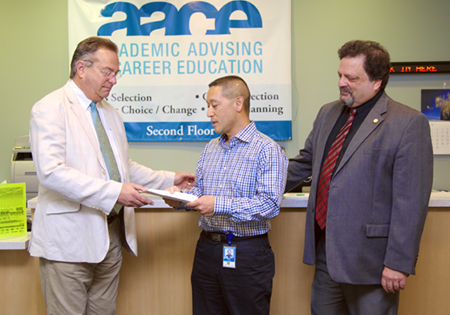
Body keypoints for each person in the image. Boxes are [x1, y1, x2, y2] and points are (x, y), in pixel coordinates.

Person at [28, 36, 194, 315]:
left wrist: (168, 179)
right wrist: (114, 192)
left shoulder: (110, 113)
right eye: (107, 72)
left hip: (111, 237)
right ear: (81, 69)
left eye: (116, 73)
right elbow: (51, 172)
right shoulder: (49, 108)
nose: (114, 80)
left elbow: (122, 166)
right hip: (69, 241)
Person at [286, 40, 433, 314]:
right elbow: (306, 162)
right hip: (326, 254)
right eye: (340, 75)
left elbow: (410, 202)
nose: (342, 83)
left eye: (352, 78)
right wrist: (250, 181)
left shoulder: (407, 123)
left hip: (373, 264)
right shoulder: (328, 113)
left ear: (377, 81)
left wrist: (398, 263)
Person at [164, 75, 288, 315]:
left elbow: (270, 204)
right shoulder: (211, 147)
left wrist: (218, 205)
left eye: (214, 105)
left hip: (247, 254)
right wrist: (179, 199)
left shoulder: (267, 150)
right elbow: (201, 193)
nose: (209, 113)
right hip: (207, 250)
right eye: (207, 106)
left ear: (238, 104)